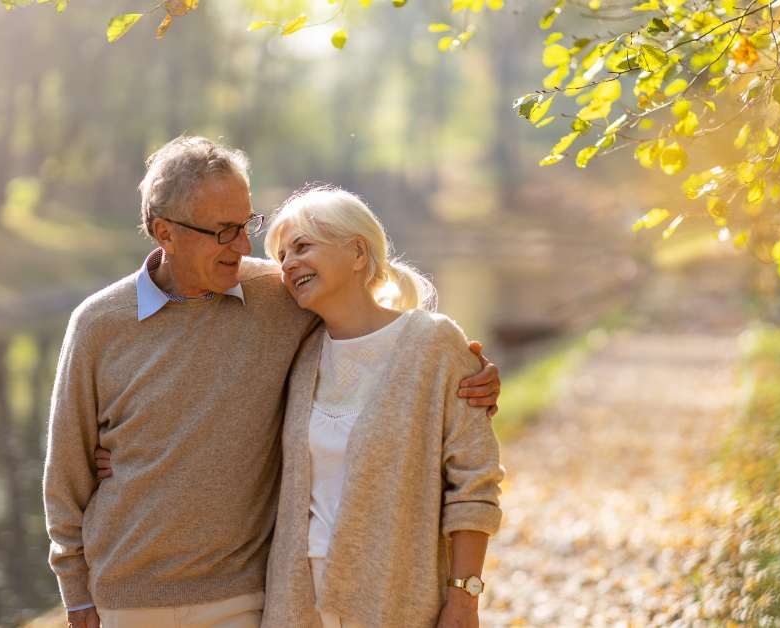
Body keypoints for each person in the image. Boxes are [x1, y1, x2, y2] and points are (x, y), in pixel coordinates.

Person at [43, 136, 500, 628]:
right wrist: (76, 594)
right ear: (163, 232)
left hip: (242, 597)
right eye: (224, 231)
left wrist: (471, 377)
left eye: (247, 225)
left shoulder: (278, 297)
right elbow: (66, 472)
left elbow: (379, 335)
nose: (244, 248)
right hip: (125, 599)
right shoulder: (98, 324)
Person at [259, 186, 504, 628]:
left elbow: (474, 482)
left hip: (395, 602)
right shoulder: (298, 354)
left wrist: (464, 598)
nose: (288, 264)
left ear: (357, 252)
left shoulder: (434, 343)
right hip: (296, 605)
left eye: (302, 246)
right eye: (280, 257)